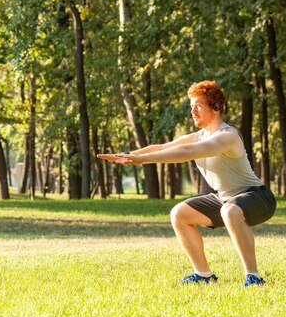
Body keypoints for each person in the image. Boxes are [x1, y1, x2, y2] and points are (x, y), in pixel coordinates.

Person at [98, 80, 276, 287]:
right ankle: (203, 275)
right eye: (191, 107)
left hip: (257, 197)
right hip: (225, 198)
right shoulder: (198, 136)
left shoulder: (228, 136)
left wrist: (142, 161)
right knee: (179, 213)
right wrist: (127, 155)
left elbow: (187, 152)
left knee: (230, 211)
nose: (193, 111)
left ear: (216, 106)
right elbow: (163, 147)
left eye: (198, 106)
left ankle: (253, 277)